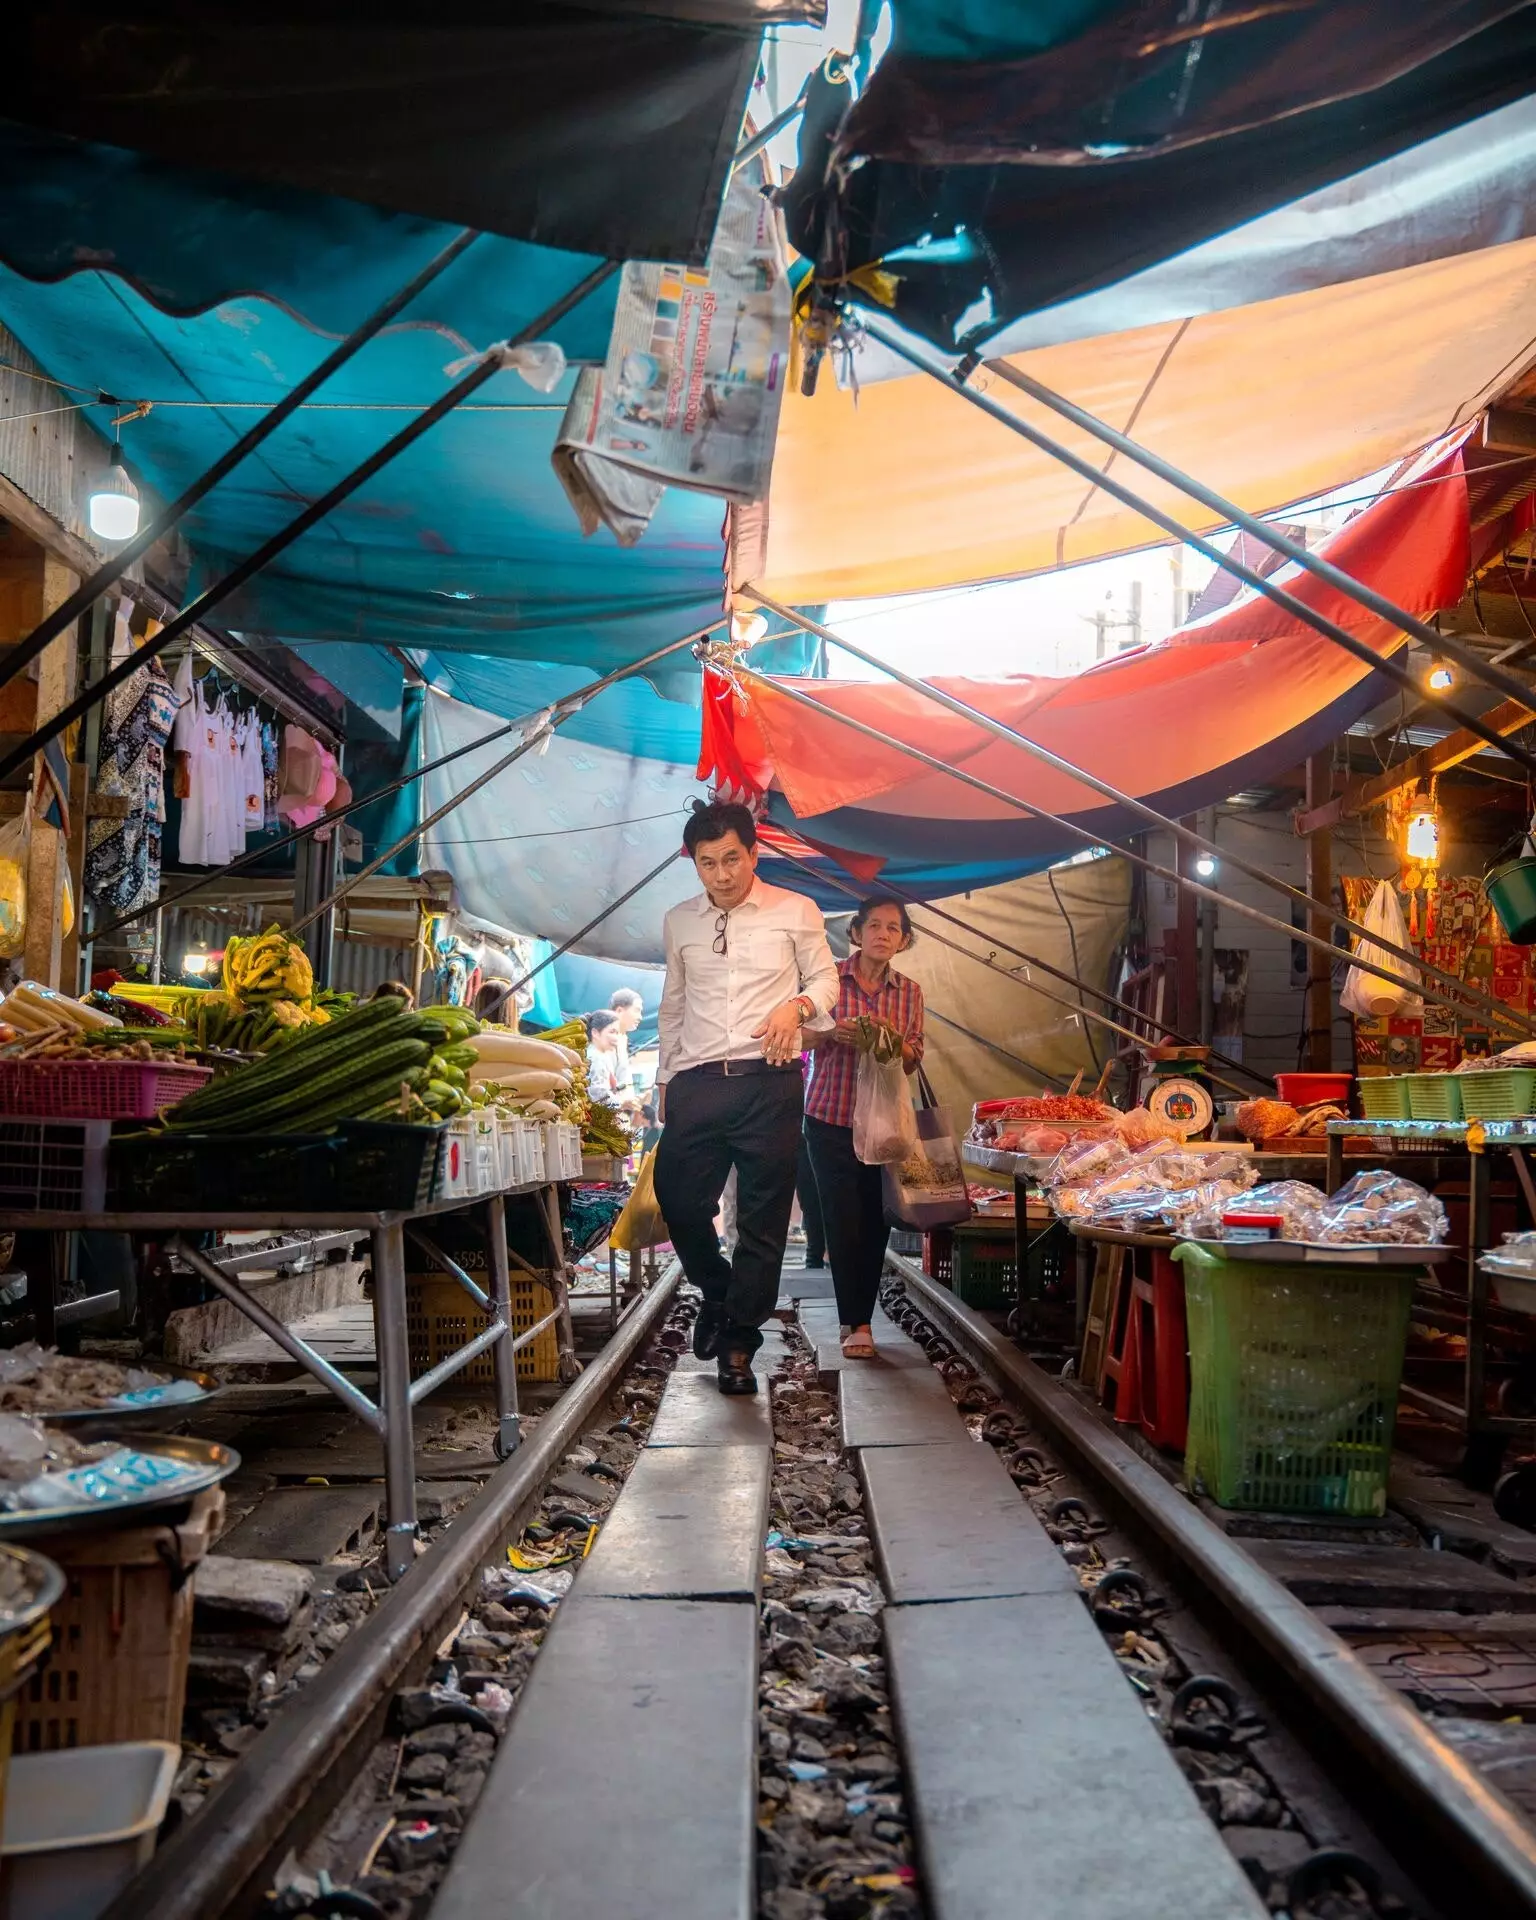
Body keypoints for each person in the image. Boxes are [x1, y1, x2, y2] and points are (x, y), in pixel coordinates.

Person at [653, 801, 838, 1395]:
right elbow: (674, 1004)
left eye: (732, 858)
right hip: (698, 1083)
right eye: (708, 863)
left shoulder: (796, 910)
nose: (722, 874)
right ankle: (716, 1289)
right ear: (696, 866)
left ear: (753, 854)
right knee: (679, 1203)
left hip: (770, 1082)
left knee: (762, 1222)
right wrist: (664, 1082)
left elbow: (826, 983)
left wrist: (797, 1006)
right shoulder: (679, 920)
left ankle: (738, 1345)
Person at [804, 895, 925, 1359]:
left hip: (885, 1126)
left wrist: (889, 1041)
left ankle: (862, 1319)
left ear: (903, 940)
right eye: (873, 925)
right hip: (829, 1116)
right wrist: (835, 1031)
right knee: (842, 1219)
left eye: (893, 928)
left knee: (876, 1222)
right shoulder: (828, 981)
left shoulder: (910, 992)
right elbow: (800, 1038)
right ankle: (852, 1321)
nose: (882, 934)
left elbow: (915, 1058)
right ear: (856, 933)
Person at [609, 987, 644, 1100]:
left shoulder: (623, 1039)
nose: (640, 1017)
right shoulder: (607, 1040)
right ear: (619, 1011)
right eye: (637, 1010)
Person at [585, 1009, 623, 1103]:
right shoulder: (594, 1058)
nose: (616, 1037)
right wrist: (622, 1103)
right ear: (595, 1033)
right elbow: (598, 1095)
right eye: (612, 1032)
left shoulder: (602, 1056)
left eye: (617, 1033)